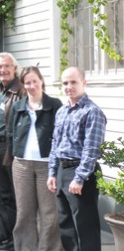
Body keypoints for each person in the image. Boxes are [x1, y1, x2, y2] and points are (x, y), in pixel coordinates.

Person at [47, 67, 106, 251]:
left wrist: (79, 178)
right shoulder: (62, 111)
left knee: (85, 227)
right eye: (65, 83)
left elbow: (91, 149)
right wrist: (52, 172)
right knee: (66, 226)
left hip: (81, 173)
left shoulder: (92, 112)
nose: (69, 86)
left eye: (73, 82)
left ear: (84, 83)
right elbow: (55, 144)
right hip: (62, 171)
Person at [6, 66, 62, 251]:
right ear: (23, 85)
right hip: (22, 165)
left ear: (41, 81)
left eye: (34, 81)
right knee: (24, 212)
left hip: (47, 166)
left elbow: (60, 135)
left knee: (49, 213)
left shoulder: (54, 105)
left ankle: (49, 248)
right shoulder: (17, 106)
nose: (31, 86)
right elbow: (10, 132)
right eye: (27, 82)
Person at [0, 52, 25, 251]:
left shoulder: (21, 91)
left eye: (6, 66)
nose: (3, 70)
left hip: (12, 149)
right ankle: (9, 236)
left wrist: (17, 150)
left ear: (14, 69)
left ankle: (18, 240)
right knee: (5, 195)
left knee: (17, 195)